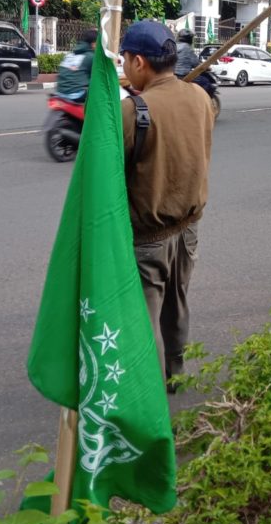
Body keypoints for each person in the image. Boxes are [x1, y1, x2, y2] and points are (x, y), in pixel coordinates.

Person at [120, 21, 215, 391]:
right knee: (177, 300)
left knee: (147, 314)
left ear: (140, 61)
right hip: (189, 227)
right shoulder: (201, 98)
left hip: (149, 236)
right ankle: (175, 372)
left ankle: (150, 394)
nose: (124, 66)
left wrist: (134, 100)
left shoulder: (133, 111)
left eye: (125, 59)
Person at [55, 28, 97, 100]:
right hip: (76, 94)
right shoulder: (91, 56)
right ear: (93, 44)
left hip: (59, 92)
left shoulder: (70, 54)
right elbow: (96, 77)